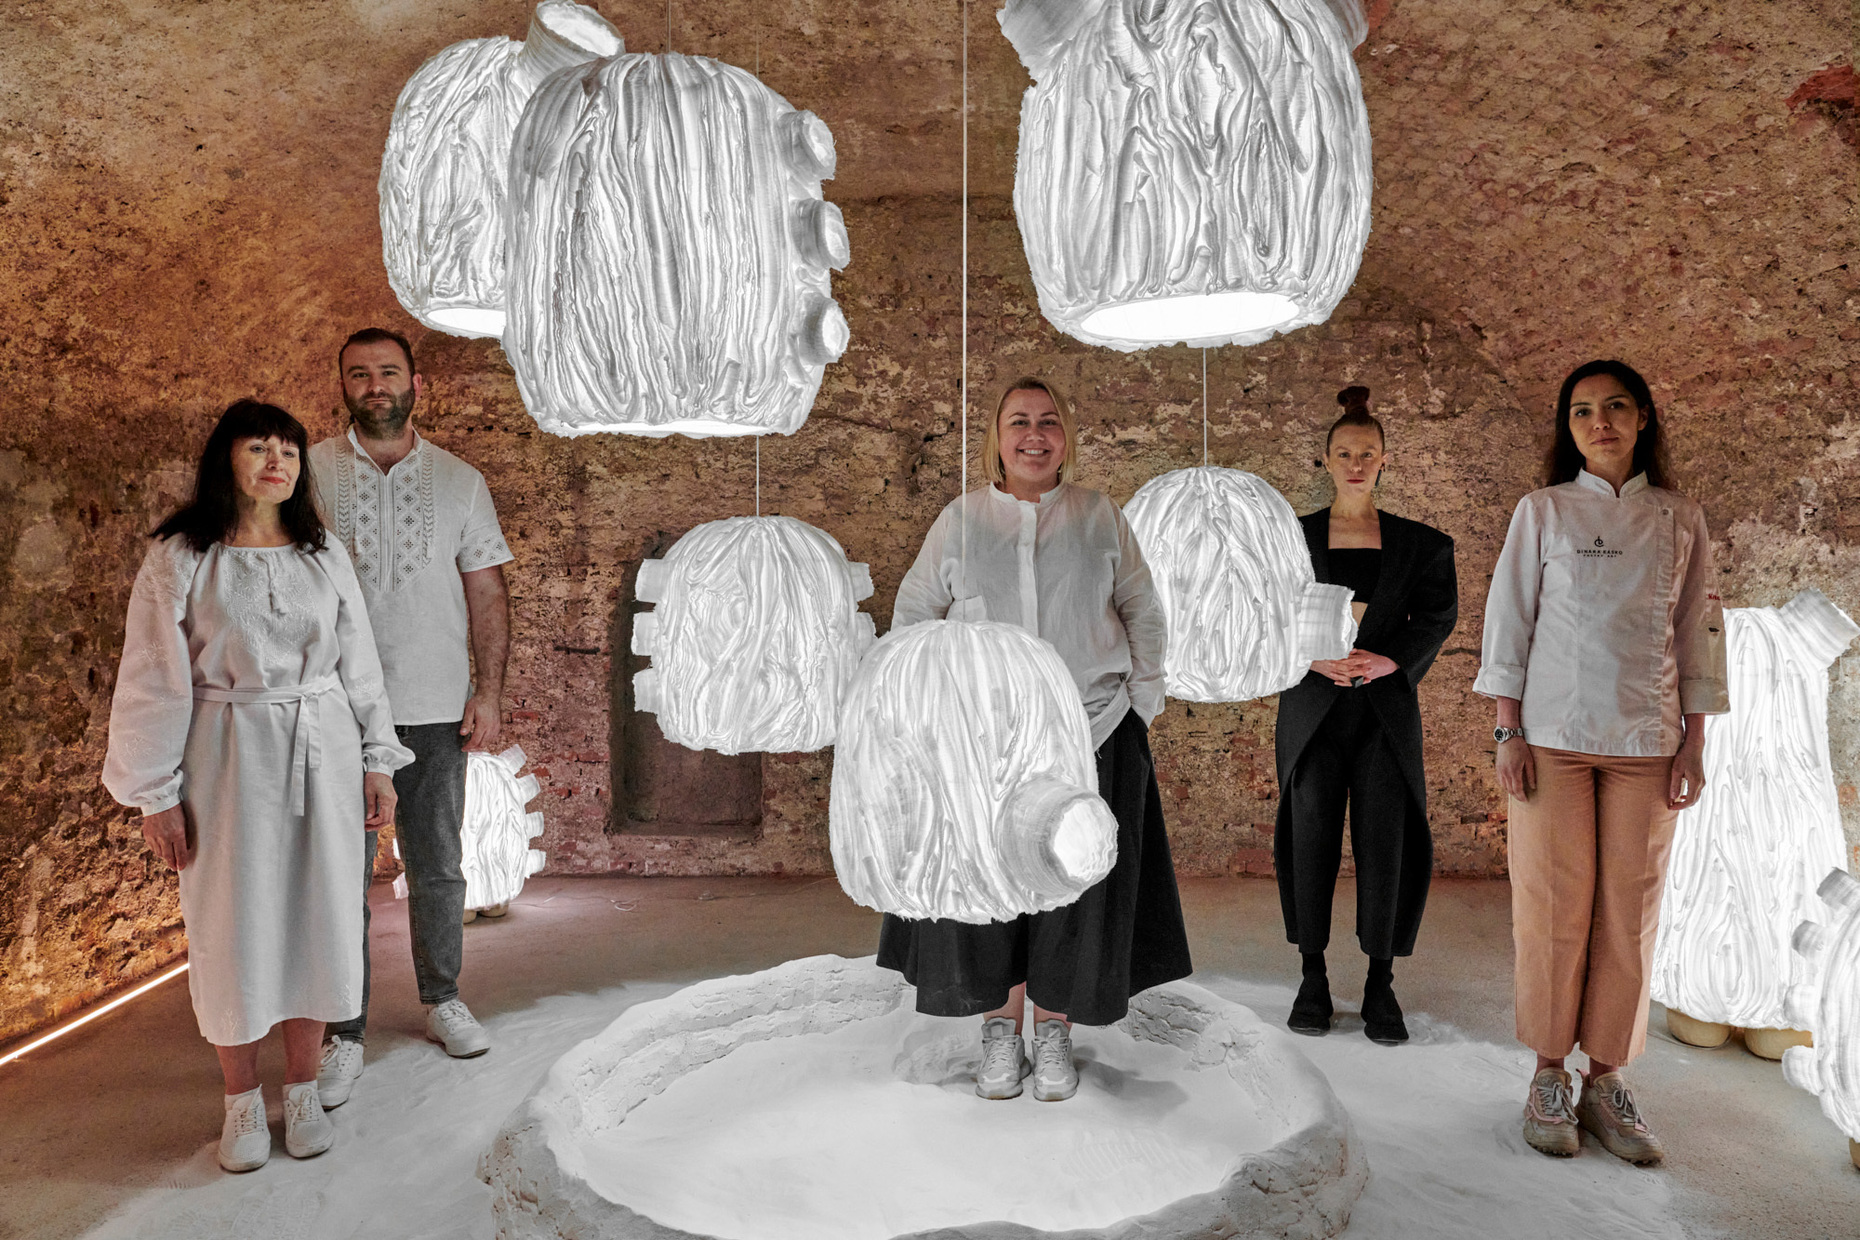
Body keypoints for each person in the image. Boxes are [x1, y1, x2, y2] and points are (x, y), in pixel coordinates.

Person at [102, 400, 413, 1173]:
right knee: (230, 921)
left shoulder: (320, 551)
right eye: (259, 448)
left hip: (323, 745)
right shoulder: (183, 554)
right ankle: (241, 1098)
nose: (278, 462)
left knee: (320, 913)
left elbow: (360, 661)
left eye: (290, 451)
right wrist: (155, 792)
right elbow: (151, 674)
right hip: (225, 751)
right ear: (227, 458)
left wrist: (378, 759)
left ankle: (301, 1088)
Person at [875, 376, 1190, 1102]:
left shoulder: (1099, 516)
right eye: (1019, 421)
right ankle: (999, 1031)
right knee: (993, 886)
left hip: (1092, 732)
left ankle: (1054, 1033)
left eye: (1048, 421)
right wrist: (929, 710)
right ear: (997, 436)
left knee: (1074, 889)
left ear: (1065, 435)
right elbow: (915, 615)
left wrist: (1139, 706)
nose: (1034, 435)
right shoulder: (961, 520)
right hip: (984, 743)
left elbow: (1142, 610)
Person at [1476, 359, 1728, 1165]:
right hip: (1551, 736)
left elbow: (1698, 630)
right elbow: (1508, 622)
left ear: (1644, 416)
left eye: (1616, 406)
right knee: (1552, 906)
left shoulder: (1679, 517)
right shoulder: (1543, 511)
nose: (1600, 422)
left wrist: (1696, 738)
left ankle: (1608, 1077)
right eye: (1583, 411)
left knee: (1631, 910)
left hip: (1646, 742)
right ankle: (1549, 1072)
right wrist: (1508, 733)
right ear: (1570, 428)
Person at [308, 328, 514, 1101]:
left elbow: (487, 589)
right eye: (359, 373)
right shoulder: (311, 473)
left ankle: (443, 998)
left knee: (438, 865)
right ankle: (342, 1030)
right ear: (343, 385)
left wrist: (488, 692)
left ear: (416, 384)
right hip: (336, 708)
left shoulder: (461, 481)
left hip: (432, 706)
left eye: (388, 372)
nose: (375, 386)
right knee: (342, 876)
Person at [1274, 386, 1458, 1044]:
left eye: (1368, 453)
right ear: (1325, 460)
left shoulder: (1420, 544)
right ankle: (1313, 976)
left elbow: (1437, 616)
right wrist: (1309, 658)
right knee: (1310, 838)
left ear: (1384, 460)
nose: (1356, 464)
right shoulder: (1290, 538)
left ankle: (1381, 981)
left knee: (1385, 842)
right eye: (1345, 453)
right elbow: (1264, 615)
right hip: (1313, 709)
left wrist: (1390, 660)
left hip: (1384, 712)